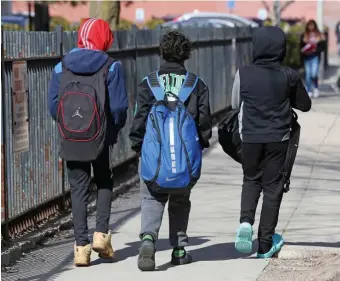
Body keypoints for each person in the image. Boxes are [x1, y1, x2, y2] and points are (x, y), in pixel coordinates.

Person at [48, 18, 128, 266]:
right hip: (100, 136)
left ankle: (81, 248)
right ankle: (101, 236)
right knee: (104, 180)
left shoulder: (61, 67)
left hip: (72, 135)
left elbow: (53, 106)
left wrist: (70, 125)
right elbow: (118, 107)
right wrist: (111, 129)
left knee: (78, 189)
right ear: (105, 38)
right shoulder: (111, 67)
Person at [129, 31, 212, 271]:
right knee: (180, 200)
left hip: (153, 159)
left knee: (151, 197)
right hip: (184, 161)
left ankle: (148, 240)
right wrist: (200, 146)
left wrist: (138, 147)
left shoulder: (149, 83)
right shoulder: (196, 84)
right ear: (186, 54)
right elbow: (204, 124)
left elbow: (139, 120)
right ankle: (179, 250)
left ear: (162, 52)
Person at [231, 26, 311, 258]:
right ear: (281, 48)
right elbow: (305, 105)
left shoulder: (243, 73)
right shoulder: (289, 75)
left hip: (250, 137)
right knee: (273, 187)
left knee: (251, 179)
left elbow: (235, 104)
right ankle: (265, 244)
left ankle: (245, 223)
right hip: (278, 138)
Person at [300, 19, 324, 98]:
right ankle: (308, 90)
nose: (311, 27)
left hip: (315, 56)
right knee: (308, 74)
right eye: (309, 25)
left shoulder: (318, 35)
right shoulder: (304, 35)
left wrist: (315, 49)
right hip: (307, 56)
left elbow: (322, 46)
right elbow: (301, 46)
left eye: (312, 25)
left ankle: (316, 88)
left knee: (314, 73)